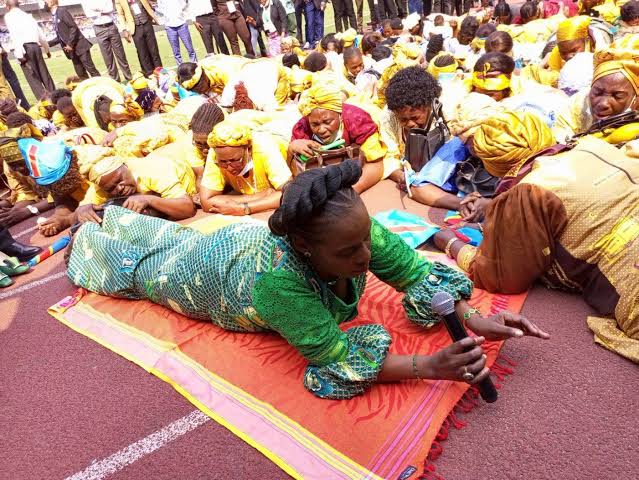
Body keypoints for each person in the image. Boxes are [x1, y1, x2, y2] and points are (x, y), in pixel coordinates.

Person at [67, 160, 549, 398]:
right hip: (216, 279)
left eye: (365, 241)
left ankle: (113, 218)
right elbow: (333, 357)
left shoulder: (354, 232)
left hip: (241, 240)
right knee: (140, 268)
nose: (366, 256)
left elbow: (413, 271)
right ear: (303, 246)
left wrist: (473, 318)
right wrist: (430, 366)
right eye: (349, 252)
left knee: (170, 236)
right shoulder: (280, 287)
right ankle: (85, 228)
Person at [433, 113, 637, 364]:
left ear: (492, 164)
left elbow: (502, 274)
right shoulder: (590, 145)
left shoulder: (529, 192)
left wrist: (449, 242)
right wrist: (497, 206)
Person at [383, 65, 465, 209]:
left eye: (415, 117)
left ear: (429, 106)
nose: (410, 124)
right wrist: (401, 176)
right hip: (415, 179)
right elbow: (389, 156)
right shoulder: (388, 117)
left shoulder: (448, 111)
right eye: (403, 119)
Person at [289, 84, 387, 193]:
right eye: (315, 125)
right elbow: (293, 170)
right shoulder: (302, 127)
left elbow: (376, 165)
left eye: (327, 122)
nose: (321, 130)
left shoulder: (357, 120)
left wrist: (352, 191)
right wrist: (293, 146)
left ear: (340, 115)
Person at [199, 120, 293, 215]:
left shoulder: (265, 147)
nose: (229, 168)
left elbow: (290, 194)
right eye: (223, 162)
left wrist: (244, 208)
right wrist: (257, 197)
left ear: (249, 150)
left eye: (235, 160)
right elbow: (206, 201)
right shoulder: (216, 153)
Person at [5, 0, 55, 100]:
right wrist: (47, 50)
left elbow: (15, 35)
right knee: (45, 75)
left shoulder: (9, 16)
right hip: (36, 47)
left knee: (33, 79)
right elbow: (40, 34)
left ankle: (45, 104)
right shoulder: (28, 16)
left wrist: (19, 55)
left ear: (7, 7)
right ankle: (55, 98)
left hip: (25, 49)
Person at [46, 0, 100, 81]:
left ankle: (101, 86)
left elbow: (73, 27)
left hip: (80, 46)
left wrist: (70, 44)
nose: (44, 3)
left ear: (52, 2)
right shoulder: (54, 16)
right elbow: (60, 36)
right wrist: (47, 44)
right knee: (80, 74)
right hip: (72, 51)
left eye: (45, 1)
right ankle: (88, 88)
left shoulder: (62, 11)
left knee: (91, 70)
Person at [81, 0, 133, 83]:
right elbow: (89, 14)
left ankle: (129, 78)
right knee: (108, 58)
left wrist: (96, 10)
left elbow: (110, 8)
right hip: (99, 28)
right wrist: (102, 9)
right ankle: (115, 81)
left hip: (111, 26)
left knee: (121, 54)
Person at [115, 0, 162, 77]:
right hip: (135, 27)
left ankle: (160, 72)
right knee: (142, 53)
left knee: (154, 50)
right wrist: (124, 29)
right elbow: (120, 14)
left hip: (147, 22)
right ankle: (149, 74)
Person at [157, 0, 198, 65]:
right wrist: (165, 20)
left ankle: (194, 64)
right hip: (169, 26)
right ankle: (180, 66)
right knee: (176, 51)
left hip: (182, 24)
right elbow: (159, 9)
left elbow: (185, 4)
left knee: (190, 48)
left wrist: (182, 15)